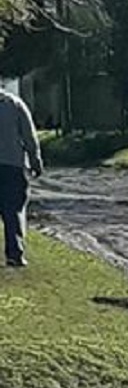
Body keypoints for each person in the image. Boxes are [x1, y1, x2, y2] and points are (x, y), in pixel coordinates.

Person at [0, 88, 43, 267]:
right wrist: (35, 160)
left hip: (11, 164)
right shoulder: (14, 104)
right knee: (13, 209)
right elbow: (28, 135)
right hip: (12, 164)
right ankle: (14, 253)